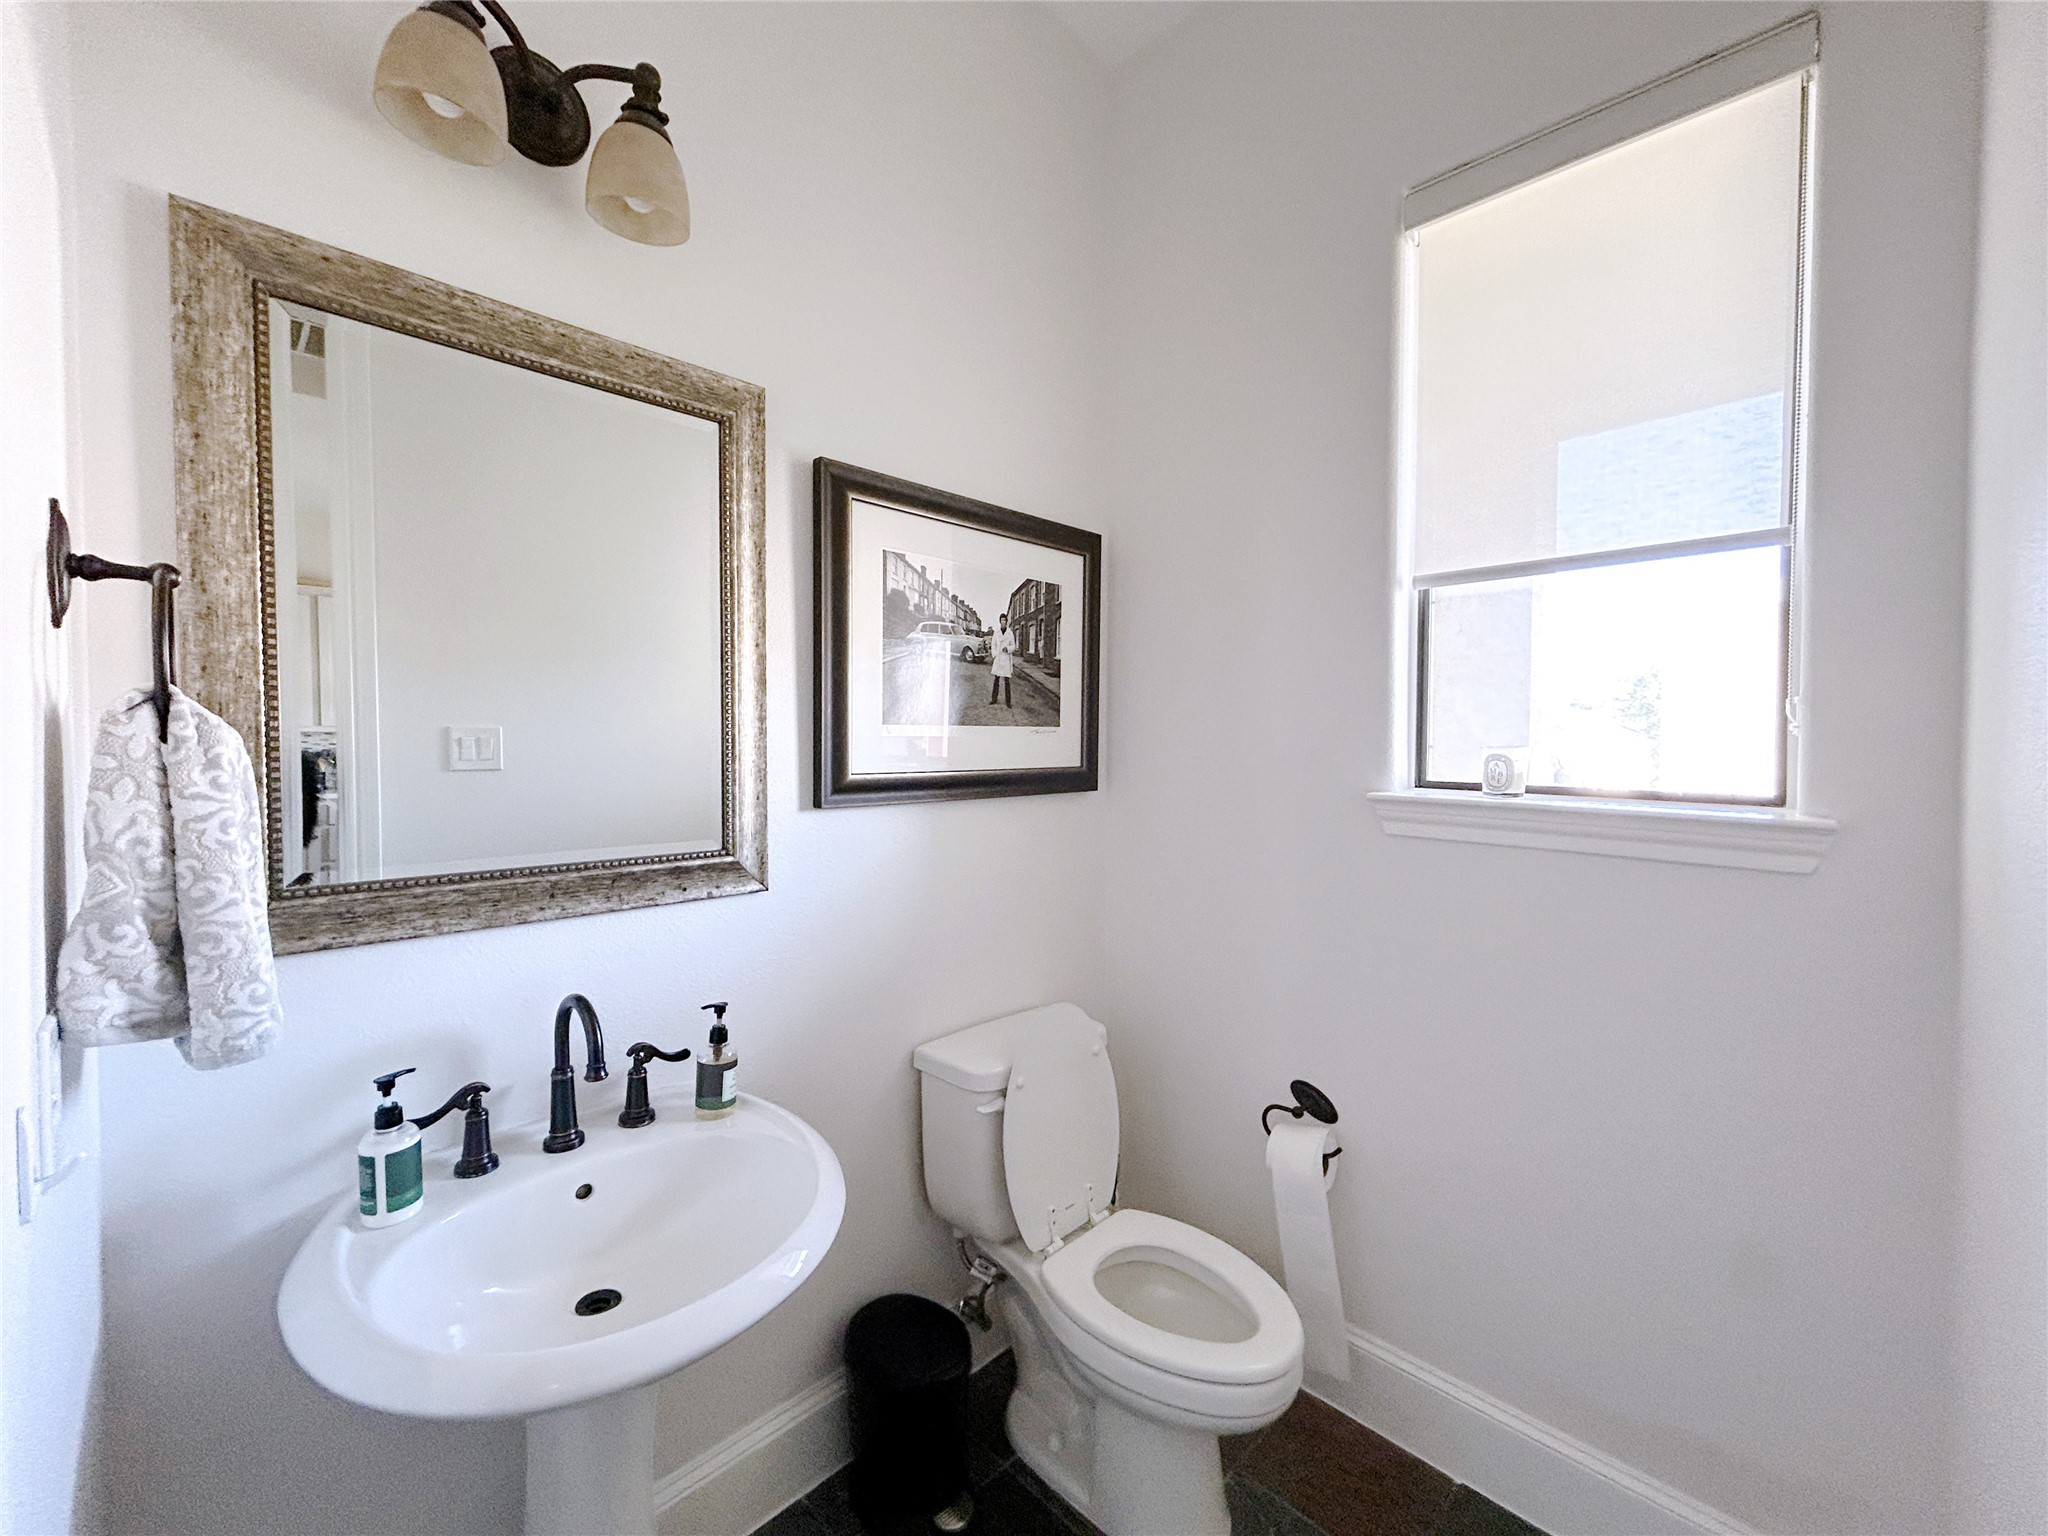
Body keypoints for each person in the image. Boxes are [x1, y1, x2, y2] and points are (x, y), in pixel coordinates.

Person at [989, 614, 1016, 708]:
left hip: (1006, 659)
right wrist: (995, 654)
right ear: (999, 621)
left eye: (1004, 620)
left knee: (1007, 681)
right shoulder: (996, 633)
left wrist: (1008, 649)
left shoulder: (1010, 633)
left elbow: (1013, 646)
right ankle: (994, 699)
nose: (1003, 622)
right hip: (999, 658)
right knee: (996, 679)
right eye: (1001, 620)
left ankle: (1008, 702)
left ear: (1006, 621)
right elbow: (993, 645)